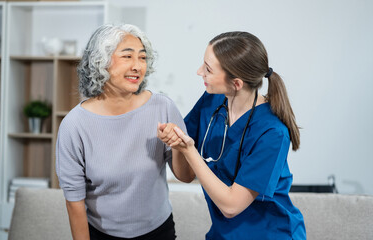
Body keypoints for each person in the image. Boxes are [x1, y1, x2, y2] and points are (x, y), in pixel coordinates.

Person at [157, 31, 306, 239]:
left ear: (236, 84)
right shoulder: (212, 101)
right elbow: (185, 175)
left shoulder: (272, 132)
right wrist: (177, 144)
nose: (199, 72)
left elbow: (231, 206)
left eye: (208, 69)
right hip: (222, 234)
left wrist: (189, 150)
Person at [56, 23, 193, 240]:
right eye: (127, 57)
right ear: (100, 62)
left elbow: (186, 176)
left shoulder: (163, 107)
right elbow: (75, 203)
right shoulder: (74, 125)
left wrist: (179, 147)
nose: (138, 66)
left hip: (159, 231)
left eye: (142, 57)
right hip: (101, 234)